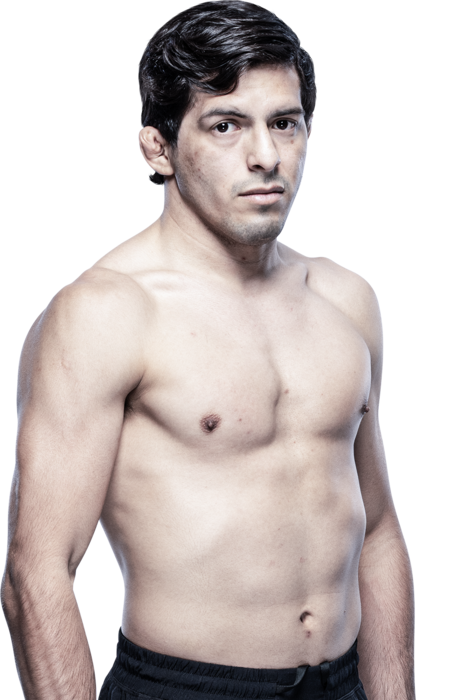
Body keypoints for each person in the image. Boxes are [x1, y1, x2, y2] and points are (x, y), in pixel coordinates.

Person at [1, 1, 415, 699]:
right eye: (226, 125)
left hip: (340, 683)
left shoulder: (346, 301)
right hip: (186, 687)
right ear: (157, 149)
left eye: (284, 123)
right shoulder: (107, 313)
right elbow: (37, 572)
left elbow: (375, 531)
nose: (265, 156)